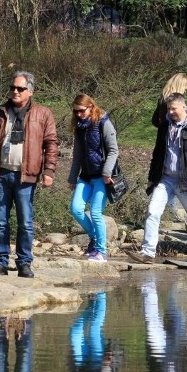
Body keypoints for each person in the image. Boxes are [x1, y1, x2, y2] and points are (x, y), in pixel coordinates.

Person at [0, 71, 59, 278]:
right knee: (0, 222)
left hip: (26, 177)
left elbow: (51, 144)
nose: (15, 91)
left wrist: (48, 171)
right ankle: (1, 263)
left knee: (25, 222)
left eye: (20, 89)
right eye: (13, 87)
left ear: (30, 91)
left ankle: (24, 263)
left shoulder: (43, 113)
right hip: (1, 173)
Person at [129, 92, 187, 264]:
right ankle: (148, 253)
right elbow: (157, 152)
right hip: (165, 179)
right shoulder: (165, 124)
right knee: (152, 211)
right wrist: (153, 177)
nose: (171, 112)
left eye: (173, 109)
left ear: (183, 106)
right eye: (169, 109)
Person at [68, 94, 119, 263]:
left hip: (102, 177)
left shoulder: (104, 123)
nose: (79, 115)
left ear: (91, 107)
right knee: (76, 209)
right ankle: (96, 239)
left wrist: (107, 173)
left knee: (96, 212)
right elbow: (77, 155)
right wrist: (72, 177)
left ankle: (101, 252)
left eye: (81, 111)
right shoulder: (79, 126)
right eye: (75, 112)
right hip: (85, 176)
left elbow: (113, 151)